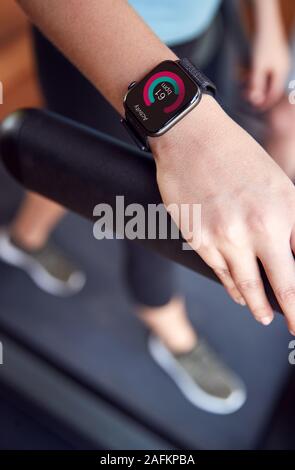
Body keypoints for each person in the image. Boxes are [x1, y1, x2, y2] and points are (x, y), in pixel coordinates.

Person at [2, 0, 295, 414]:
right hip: (106, 38)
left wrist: (267, 23)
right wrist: (191, 134)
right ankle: (173, 333)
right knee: (153, 226)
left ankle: (23, 238)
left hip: (207, 25)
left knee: (82, 179)